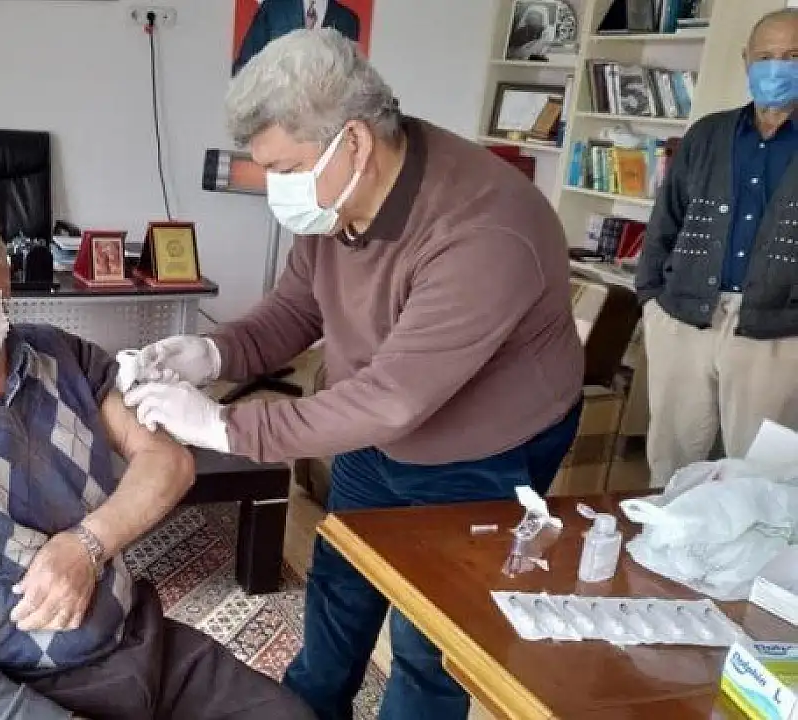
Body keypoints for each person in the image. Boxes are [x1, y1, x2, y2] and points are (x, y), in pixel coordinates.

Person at [122, 30, 584, 720]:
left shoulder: (487, 228)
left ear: (356, 143)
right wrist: (211, 354)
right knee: (341, 582)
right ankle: (306, 709)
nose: (274, 187)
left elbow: (393, 400)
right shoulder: (336, 195)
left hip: (483, 448)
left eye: (284, 167)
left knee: (431, 641)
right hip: (371, 423)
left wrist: (222, 425)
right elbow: (295, 310)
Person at [0, 194, 314, 720]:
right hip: (8, 694)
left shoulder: (62, 356)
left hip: (137, 647)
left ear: (4, 278)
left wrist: (87, 546)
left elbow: (167, 463)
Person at [635, 9, 798, 486]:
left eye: (792, 56)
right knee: (671, 462)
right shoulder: (709, 132)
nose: (777, 67)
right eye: (766, 56)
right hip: (684, 318)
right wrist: (651, 299)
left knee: (763, 476)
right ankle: (665, 531)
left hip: (776, 332)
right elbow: (666, 217)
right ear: (746, 60)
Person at [234, 0, 360, 75]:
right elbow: (245, 66)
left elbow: (351, 80)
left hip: (326, 109)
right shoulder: (274, 8)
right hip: (277, 107)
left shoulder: (348, 21)